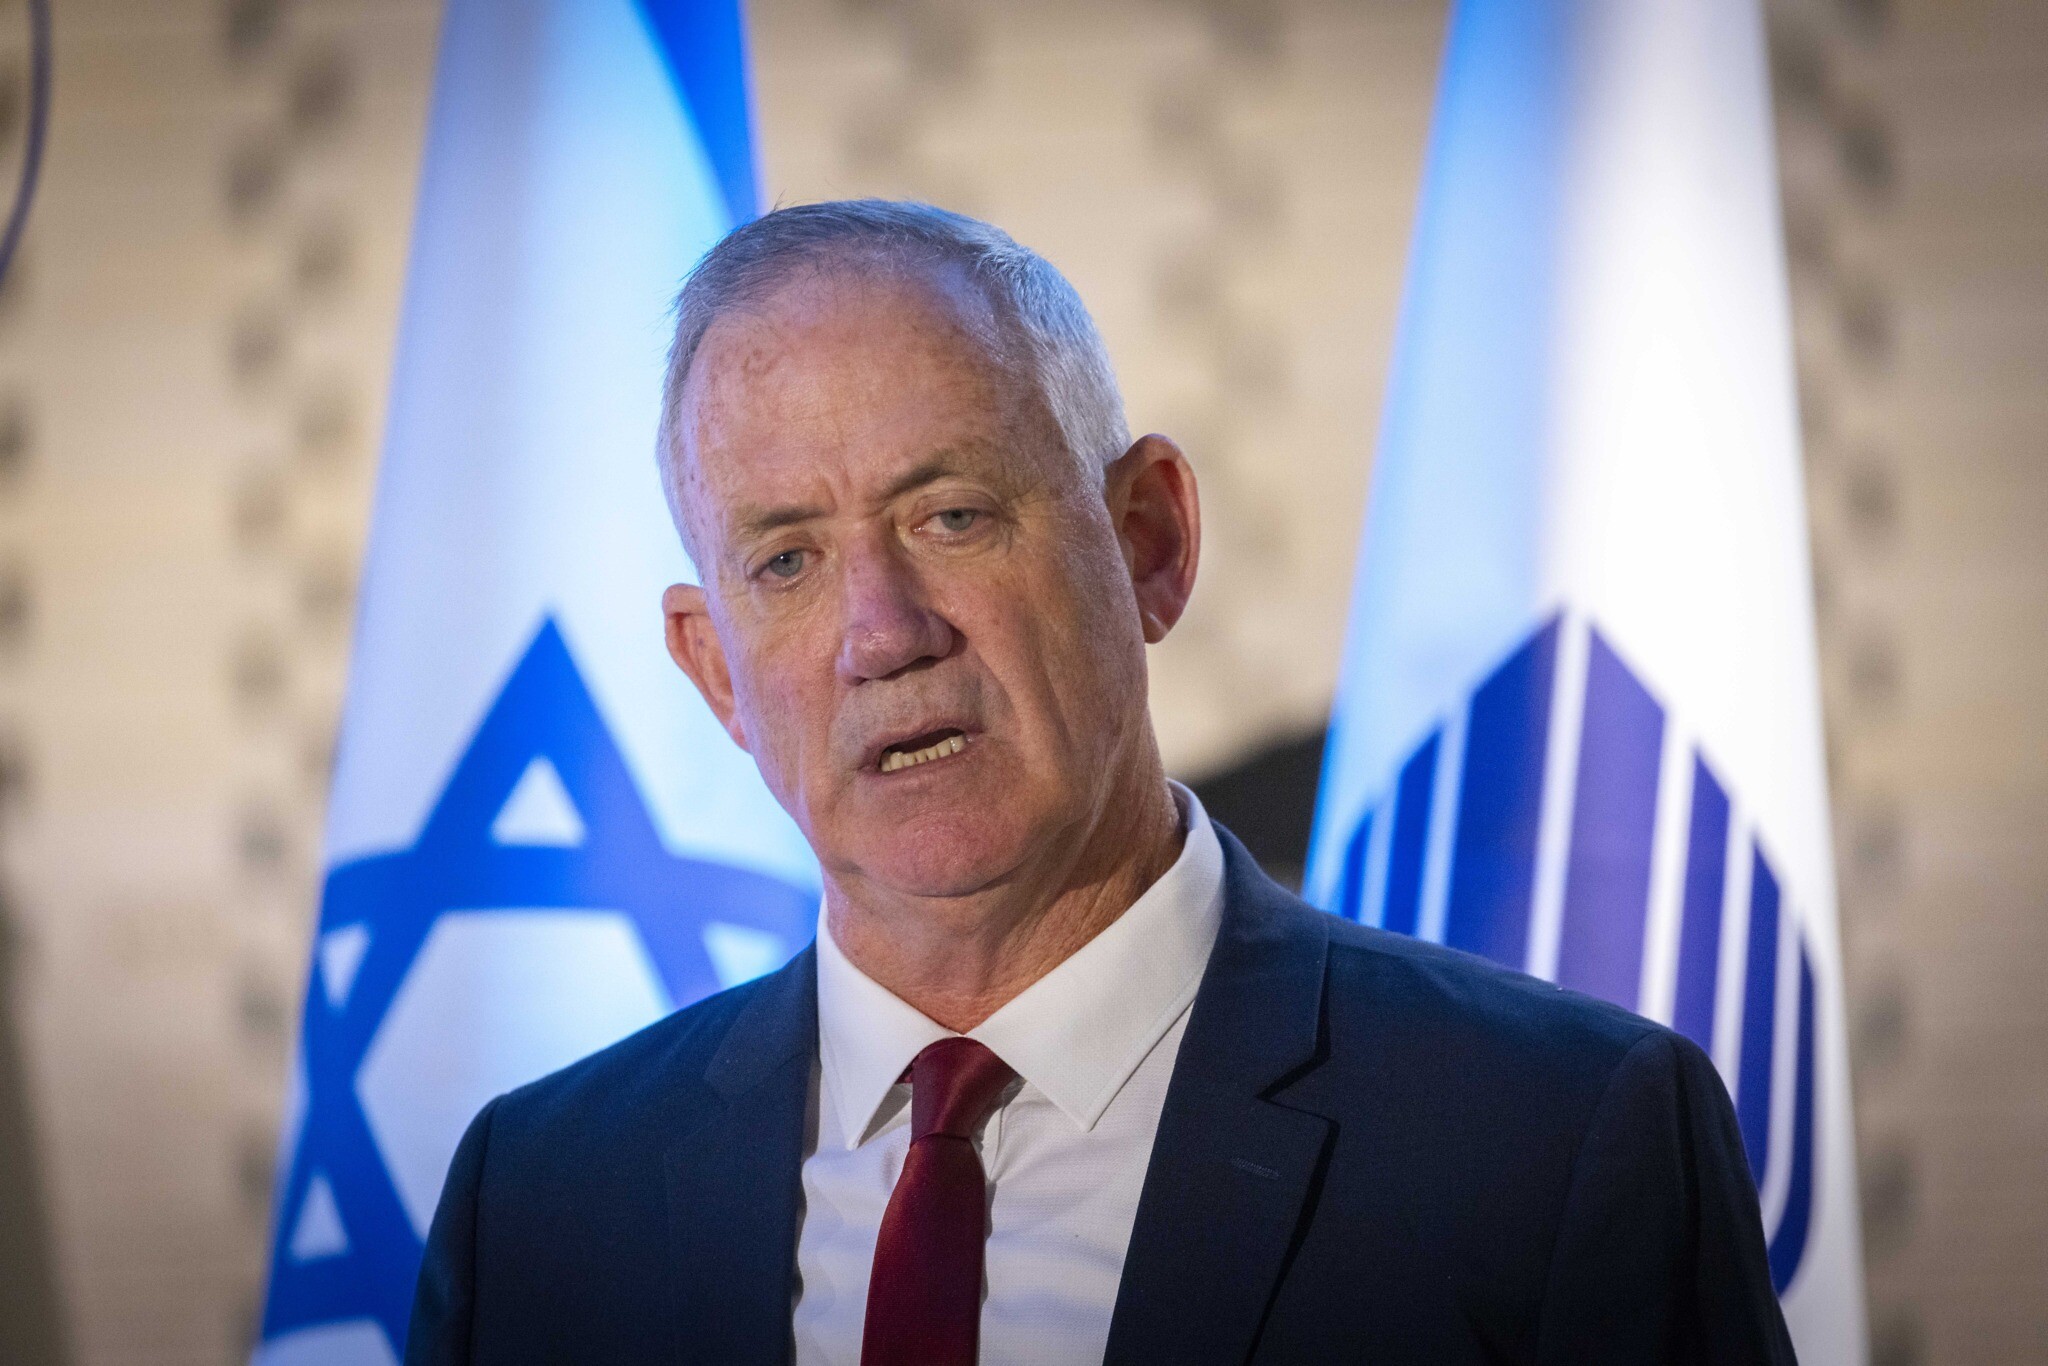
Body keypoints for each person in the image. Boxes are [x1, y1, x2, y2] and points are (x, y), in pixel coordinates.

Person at [405, 201, 1796, 1366]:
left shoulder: (1556, 1141)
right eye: (786, 559)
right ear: (716, 676)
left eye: (951, 515)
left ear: (1149, 542)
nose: (882, 632)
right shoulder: (536, 1203)